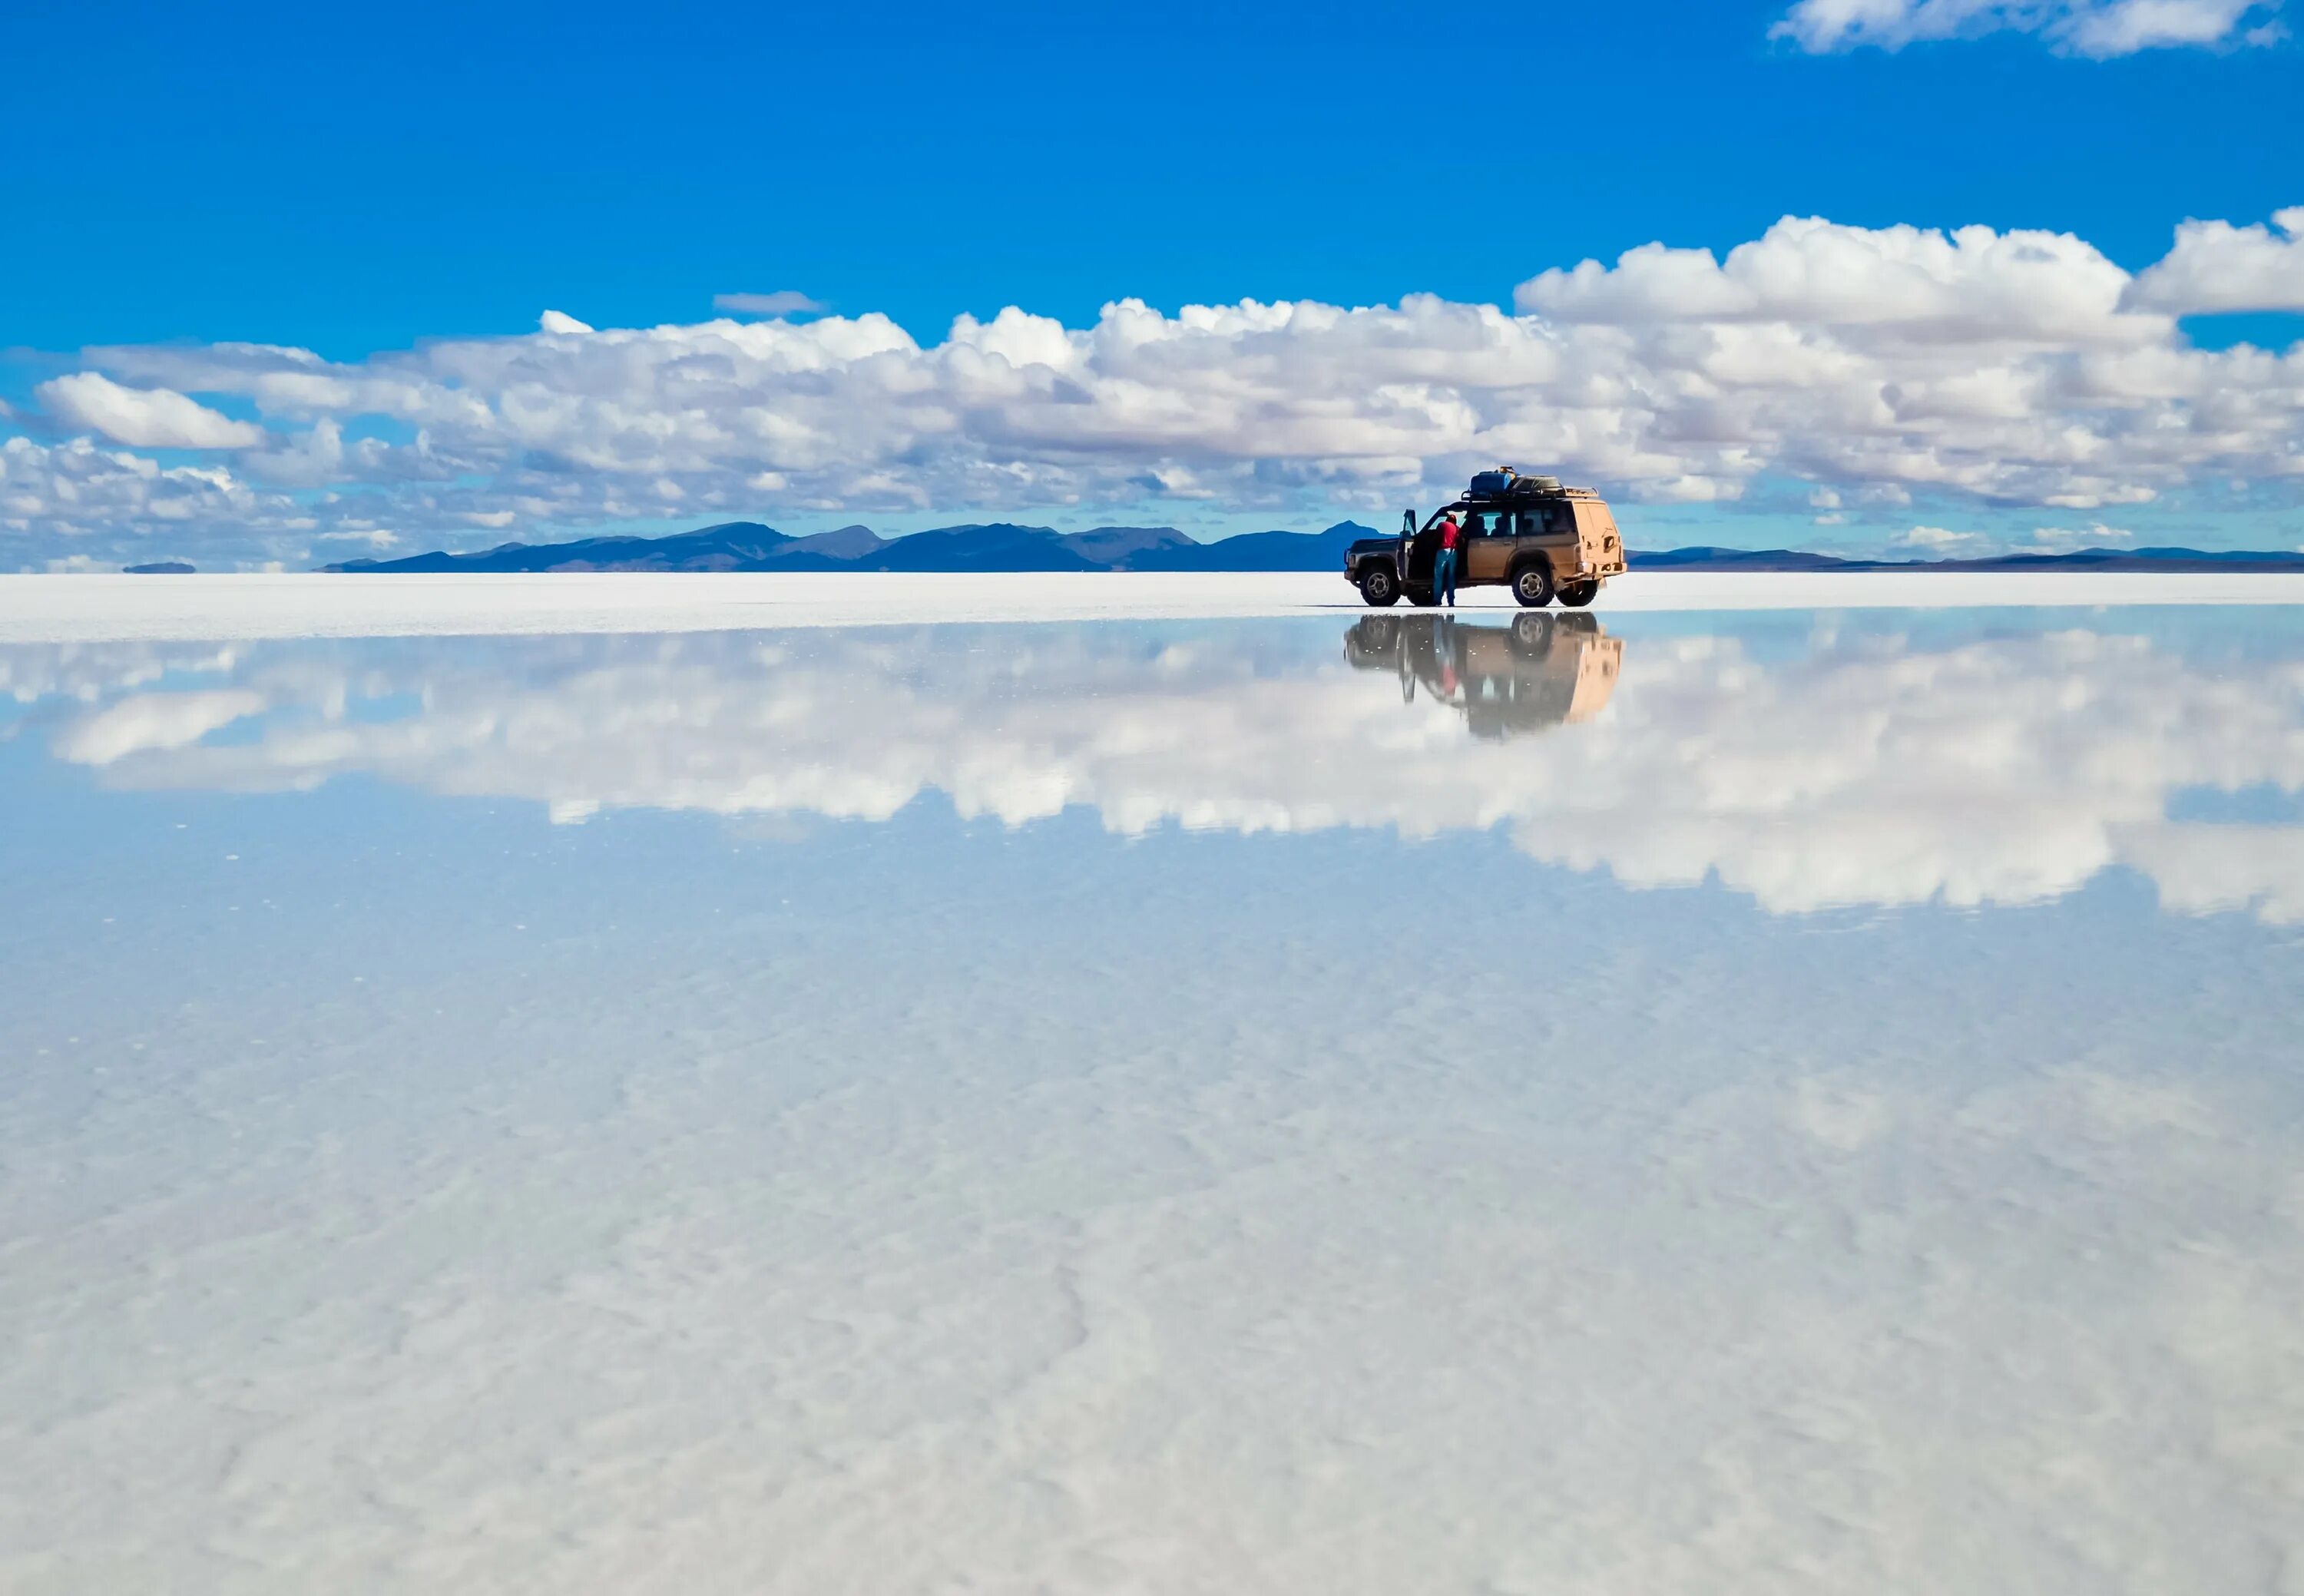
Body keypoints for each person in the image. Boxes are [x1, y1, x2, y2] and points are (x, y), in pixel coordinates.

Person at [1433, 513, 1462, 608]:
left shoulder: (1442, 525)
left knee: (1438, 576)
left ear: (1447, 519)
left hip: (1443, 550)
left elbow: (1436, 538)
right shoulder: (1457, 528)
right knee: (1451, 577)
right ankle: (1451, 601)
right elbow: (1460, 540)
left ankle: (1437, 600)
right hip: (1454, 552)